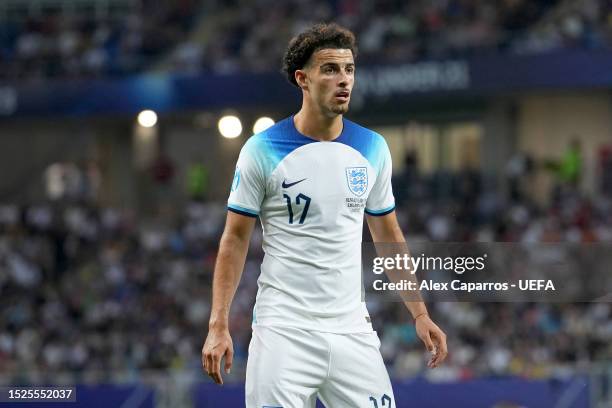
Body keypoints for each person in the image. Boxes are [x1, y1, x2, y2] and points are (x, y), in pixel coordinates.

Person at [202, 23, 448, 407]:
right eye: (330, 69)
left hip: (352, 331)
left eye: (349, 69)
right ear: (303, 78)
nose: (344, 79)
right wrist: (218, 324)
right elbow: (234, 238)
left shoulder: (373, 147)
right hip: (284, 331)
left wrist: (419, 312)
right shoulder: (261, 150)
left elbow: (388, 235)